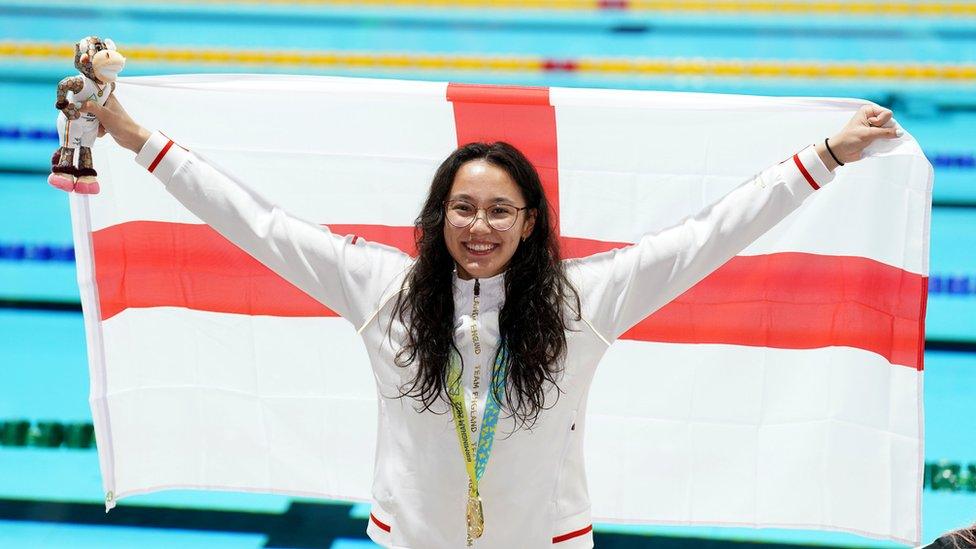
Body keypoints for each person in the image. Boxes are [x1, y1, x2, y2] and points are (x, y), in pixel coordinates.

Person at [82, 94, 902, 549]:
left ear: (531, 221)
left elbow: (710, 238)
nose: (481, 226)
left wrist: (827, 155)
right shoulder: (383, 291)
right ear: (440, 214)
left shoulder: (587, 300)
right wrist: (133, 137)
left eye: (500, 210)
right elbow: (254, 224)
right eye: (464, 207)